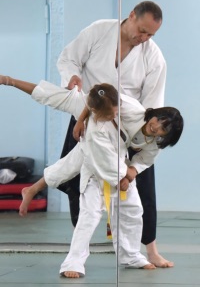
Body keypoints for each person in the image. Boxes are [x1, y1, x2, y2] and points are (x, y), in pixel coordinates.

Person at [0, 75, 183, 277]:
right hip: (99, 165)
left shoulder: (153, 141)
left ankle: (130, 256)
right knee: (90, 213)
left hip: (118, 158)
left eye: (164, 129)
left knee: (133, 210)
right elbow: (98, 95)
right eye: (159, 120)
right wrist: (79, 120)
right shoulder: (118, 113)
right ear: (154, 114)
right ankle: (73, 263)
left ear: (166, 137)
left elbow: (144, 161)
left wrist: (130, 175)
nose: (157, 127)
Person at [56, 0, 170, 267]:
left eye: (150, 35)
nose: (144, 38)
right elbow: (69, 57)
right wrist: (72, 76)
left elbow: (152, 105)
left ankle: (150, 250)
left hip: (130, 128)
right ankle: (78, 250)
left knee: (143, 187)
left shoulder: (154, 57)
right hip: (88, 119)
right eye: (141, 31)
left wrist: (141, 138)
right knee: (77, 183)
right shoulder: (99, 31)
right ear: (131, 15)